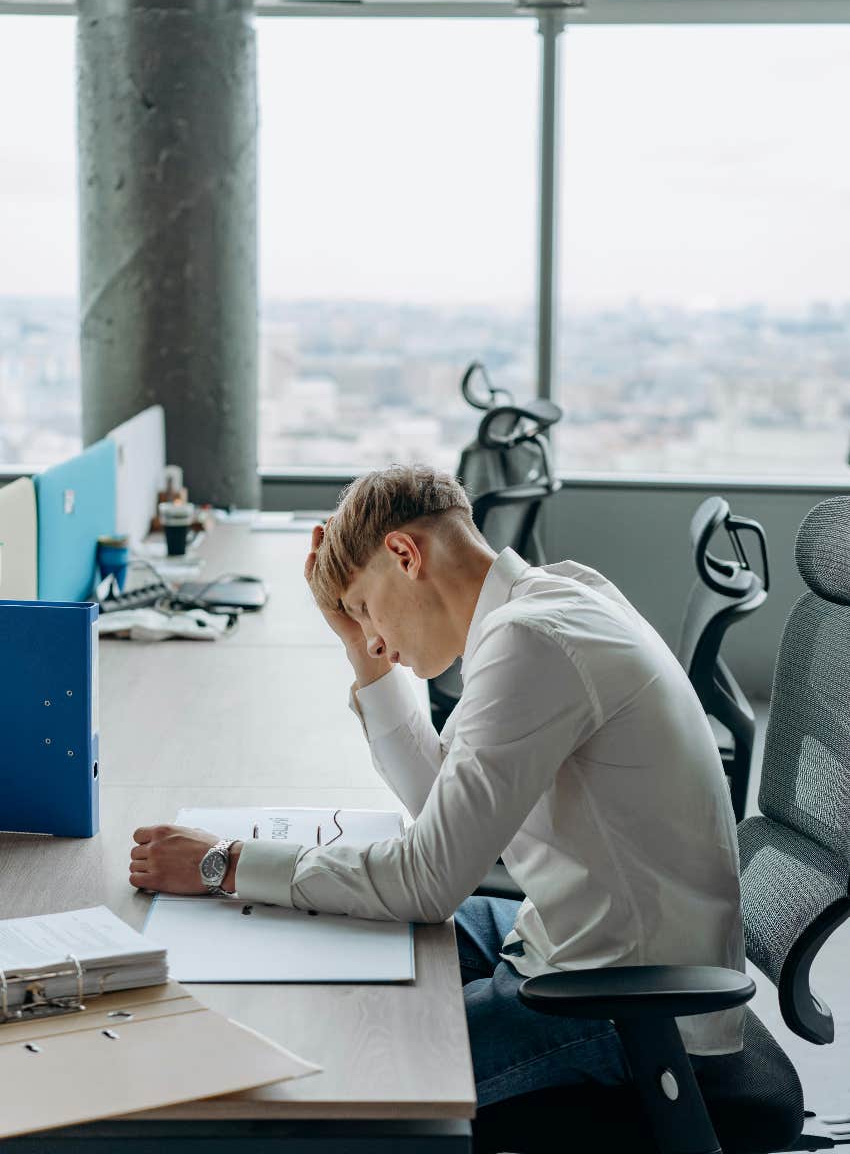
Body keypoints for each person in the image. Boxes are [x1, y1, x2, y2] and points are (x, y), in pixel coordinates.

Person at [129, 464, 745, 1107]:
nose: (376, 638)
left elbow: (427, 881)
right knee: (335, 948)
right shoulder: (550, 597)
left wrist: (219, 863)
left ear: (404, 553)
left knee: (332, 1083)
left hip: (639, 1007)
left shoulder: (531, 640)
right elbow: (440, 805)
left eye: (366, 608)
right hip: (572, 937)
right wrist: (360, 652)